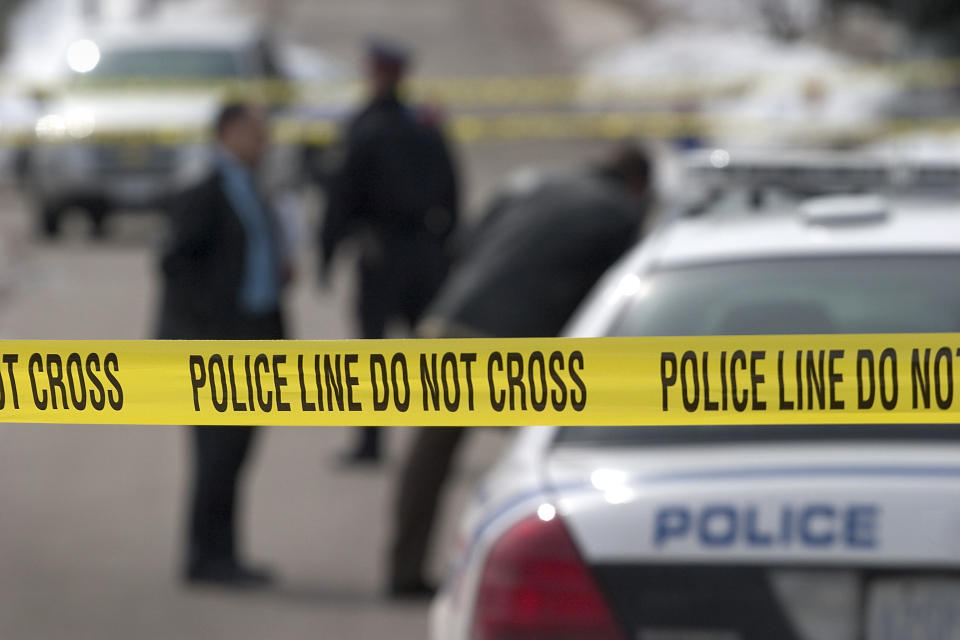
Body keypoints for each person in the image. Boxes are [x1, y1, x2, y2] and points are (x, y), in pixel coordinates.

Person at [387, 141, 653, 598]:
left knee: (429, 458)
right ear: (638, 184)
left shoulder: (530, 184)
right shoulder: (620, 214)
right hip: (516, 347)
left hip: (450, 321)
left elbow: (464, 244)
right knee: (539, 465)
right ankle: (523, 581)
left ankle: (403, 569)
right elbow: (611, 304)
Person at [157, 103, 290, 588]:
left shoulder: (253, 184)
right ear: (229, 132)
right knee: (215, 455)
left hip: (254, 336)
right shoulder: (203, 187)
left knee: (234, 455)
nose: (264, 141)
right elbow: (176, 264)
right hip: (216, 346)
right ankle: (205, 557)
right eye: (257, 132)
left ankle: (225, 553)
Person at [321, 38, 459, 466]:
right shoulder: (424, 124)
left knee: (374, 355)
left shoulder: (366, 127)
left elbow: (342, 196)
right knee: (430, 353)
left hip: (381, 255)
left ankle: (371, 445)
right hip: (424, 252)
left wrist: (327, 252)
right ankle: (437, 448)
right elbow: (453, 191)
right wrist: (445, 245)